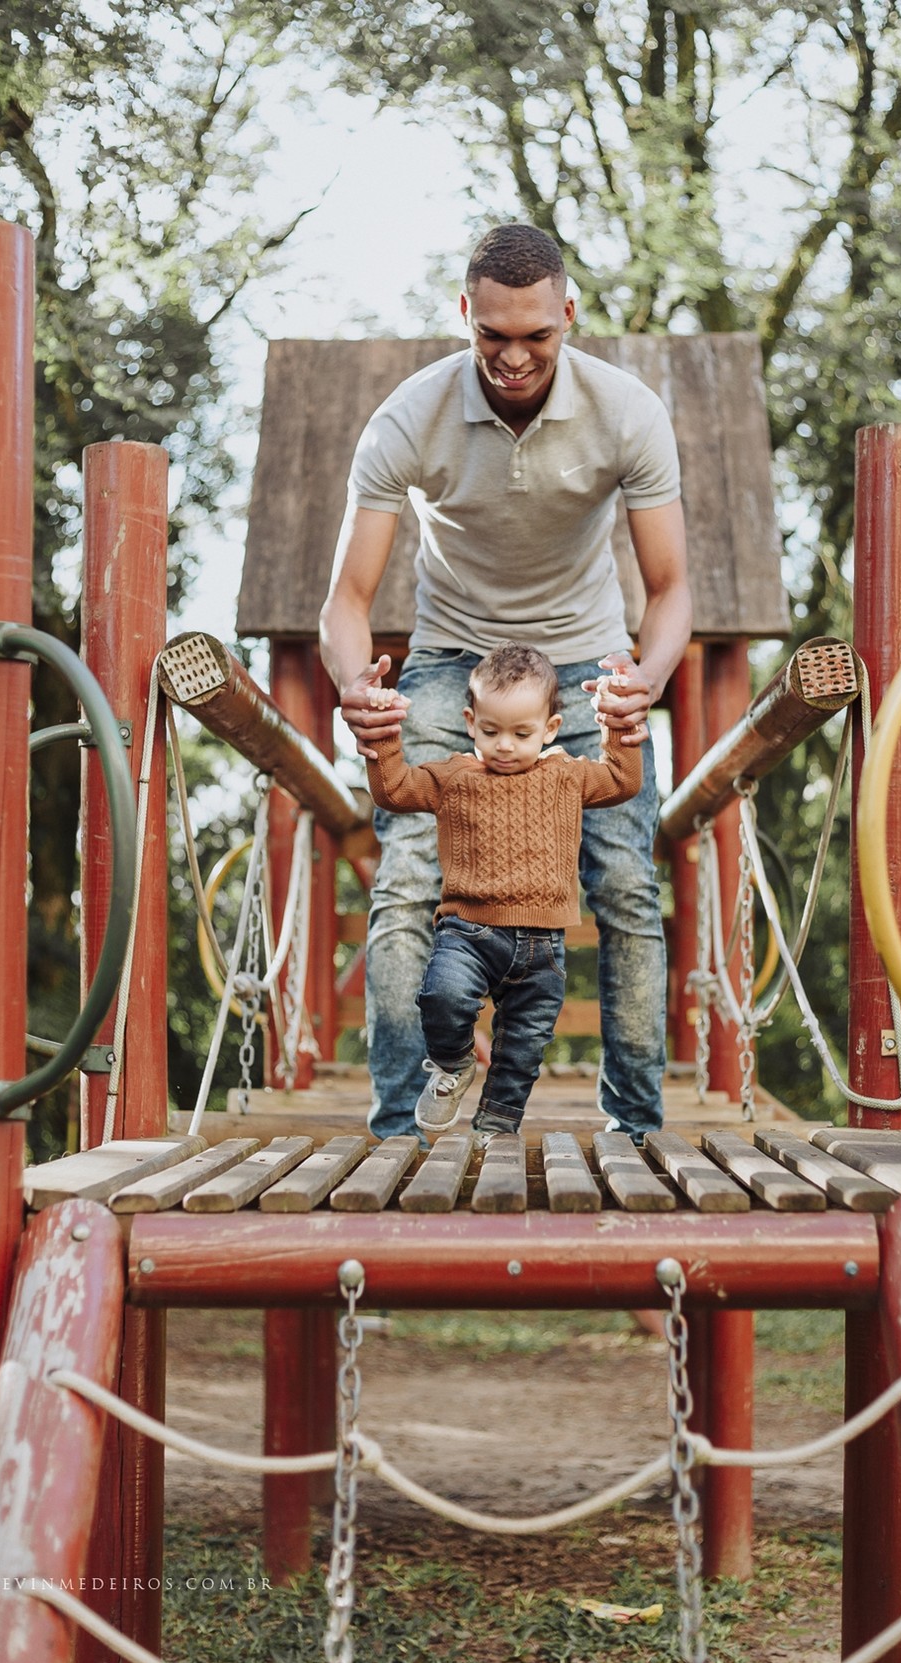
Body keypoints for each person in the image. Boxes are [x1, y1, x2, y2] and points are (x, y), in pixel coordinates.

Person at [319, 222, 691, 1142]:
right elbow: (346, 601)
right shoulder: (410, 417)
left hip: (586, 651)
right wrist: (354, 687)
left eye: (537, 335)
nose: (515, 356)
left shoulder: (628, 413)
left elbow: (674, 588)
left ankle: (635, 1124)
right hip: (453, 654)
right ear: (465, 317)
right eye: (494, 335)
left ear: (569, 313)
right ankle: (403, 1121)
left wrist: (643, 679)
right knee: (408, 872)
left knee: (625, 882)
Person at [365, 643, 642, 1137]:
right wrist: (384, 741)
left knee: (523, 1046)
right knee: (441, 997)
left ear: (550, 729)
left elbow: (623, 780)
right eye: (491, 731)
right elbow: (395, 790)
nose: (505, 746)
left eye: (522, 733)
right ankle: (452, 1064)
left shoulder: (566, 776)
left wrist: (618, 730)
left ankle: (496, 1123)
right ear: (471, 722)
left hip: (543, 945)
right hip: (466, 932)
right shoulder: (454, 776)